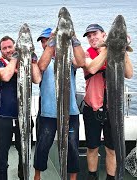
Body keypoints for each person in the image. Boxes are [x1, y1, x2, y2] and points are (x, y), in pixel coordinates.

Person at [82, 24, 133, 180]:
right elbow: (91, 68)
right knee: (92, 147)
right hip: (92, 109)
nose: (92, 38)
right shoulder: (86, 54)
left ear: (104, 34)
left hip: (113, 109)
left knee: (112, 149)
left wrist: (122, 48)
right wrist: (108, 48)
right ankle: (92, 176)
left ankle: (110, 178)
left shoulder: (116, 51)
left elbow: (129, 74)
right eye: (89, 36)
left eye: (94, 34)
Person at [33, 27, 85, 180]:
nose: (45, 44)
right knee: (42, 146)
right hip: (48, 113)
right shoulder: (40, 61)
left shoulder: (68, 58)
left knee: (73, 147)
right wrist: (51, 44)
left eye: (47, 40)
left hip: (71, 112)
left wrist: (73, 37)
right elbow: (41, 67)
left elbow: (81, 62)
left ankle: (72, 178)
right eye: (43, 41)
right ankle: (37, 176)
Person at [0, 35, 41, 180]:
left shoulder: (26, 64)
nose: (8, 50)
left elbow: (37, 79)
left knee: (24, 152)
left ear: (15, 47)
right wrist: (15, 59)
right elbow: (5, 76)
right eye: (4, 48)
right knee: (2, 154)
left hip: (23, 117)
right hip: (2, 118)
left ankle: (22, 176)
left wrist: (33, 61)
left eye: (10, 47)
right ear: (1, 51)